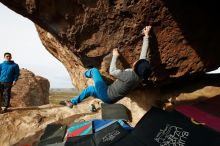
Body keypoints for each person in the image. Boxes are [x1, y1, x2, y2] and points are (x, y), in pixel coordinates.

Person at [63, 26, 152, 108]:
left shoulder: (129, 75)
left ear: (136, 67)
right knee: (90, 90)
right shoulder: (141, 76)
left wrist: (115, 56)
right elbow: (143, 56)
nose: (136, 61)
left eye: (137, 63)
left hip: (106, 93)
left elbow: (112, 71)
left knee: (94, 70)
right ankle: (72, 102)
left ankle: (85, 73)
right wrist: (146, 36)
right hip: (111, 100)